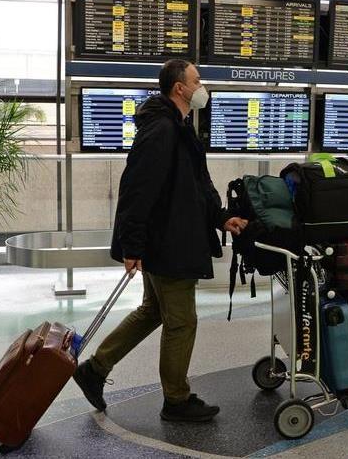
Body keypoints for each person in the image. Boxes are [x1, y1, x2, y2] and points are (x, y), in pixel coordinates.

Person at [73, 59, 248, 422]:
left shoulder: (178, 127)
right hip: (169, 244)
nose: (202, 87)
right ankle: (176, 400)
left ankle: (95, 369)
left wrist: (220, 217)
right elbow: (137, 190)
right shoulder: (163, 130)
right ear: (179, 88)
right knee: (182, 321)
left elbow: (197, 186)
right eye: (197, 81)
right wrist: (132, 246)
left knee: (153, 310)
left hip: (169, 239)